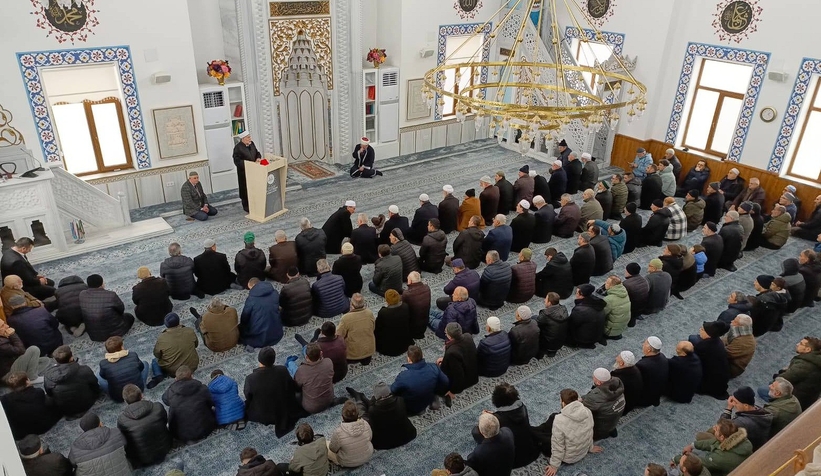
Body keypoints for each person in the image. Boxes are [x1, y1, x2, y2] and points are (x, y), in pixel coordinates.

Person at [244, 347, 300, 437]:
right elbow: (291, 386)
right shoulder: (282, 370)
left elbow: (248, 396)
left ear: (259, 360)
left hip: (263, 415)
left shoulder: (251, 379)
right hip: (284, 411)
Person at [542, 389, 596, 476]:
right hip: (583, 452)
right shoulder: (587, 411)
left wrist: (554, 466)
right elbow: (589, 432)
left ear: (563, 403)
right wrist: (590, 447)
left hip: (569, 458)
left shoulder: (559, 420)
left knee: (542, 439)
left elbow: (558, 446)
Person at [117, 384, 172, 468]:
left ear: (125, 401)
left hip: (141, 458)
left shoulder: (122, 420)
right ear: (141, 395)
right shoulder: (158, 407)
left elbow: (124, 439)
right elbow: (165, 421)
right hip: (166, 447)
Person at [677, 419, 752, 476]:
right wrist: (693, 445)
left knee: (685, 465)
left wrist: (677, 459)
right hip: (736, 465)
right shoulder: (741, 439)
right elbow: (715, 442)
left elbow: (697, 464)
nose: (713, 428)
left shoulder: (720, 458)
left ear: (722, 437)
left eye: (716, 429)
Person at [0, 371, 61, 439]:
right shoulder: (38, 392)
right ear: (27, 382)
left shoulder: (5, 399)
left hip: (20, 432)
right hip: (41, 427)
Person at [43, 344, 99, 417]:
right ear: (71, 358)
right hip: (86, 404)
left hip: (65, 409)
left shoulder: (48, 375)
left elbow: (49, 394)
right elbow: (95, 385)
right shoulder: (84, 370)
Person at [390, 345, 449, 414]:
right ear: (422, 355)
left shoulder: (404, 376)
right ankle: (432, 399)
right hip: (428, 397)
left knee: (388, 389)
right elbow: (445, 382)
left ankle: (419, 409)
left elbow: (393, 390)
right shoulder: (433, 367)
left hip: (411, 406)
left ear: (409, 359)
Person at [770, 336, 821, 411]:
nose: (797, 344)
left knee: (764, 390)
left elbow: (783, 378)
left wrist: (777, 375)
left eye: (801, 344)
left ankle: (774, 407)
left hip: (795, 400)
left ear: (808, 349)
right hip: (807, 399)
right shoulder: (815, 360)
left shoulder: (805, 365)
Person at [79, 274, 134, 342]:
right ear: (102, 284)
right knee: (129, 317)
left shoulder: (82, 294)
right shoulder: (111, 295)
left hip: (94, 335)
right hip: (115, 333)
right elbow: (121, 309)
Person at [719, 386, 773, 450]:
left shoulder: (742, 422)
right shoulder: (759, 410)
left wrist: (728, 408)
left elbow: (722, 426)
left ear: (746, 406)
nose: (733, 404)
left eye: (735, 402)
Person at [98, 336, 149, 402]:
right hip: (137, 391)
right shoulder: (133, 355)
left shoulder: (103, 363)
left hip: (118, 397)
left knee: (98, 376)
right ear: (122, 347)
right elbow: (141, 368)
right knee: (145, 363)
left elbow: (103, 376)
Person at [582, 368, 625, 441]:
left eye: (594, 378)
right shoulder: (617, 388)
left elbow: (582, 409)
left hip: (599, 427)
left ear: (598, 383)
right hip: (613, 420)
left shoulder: (595, 397)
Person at [291, 343, 335, 414]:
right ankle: (304, 347)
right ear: (321, 353)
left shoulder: (302, 370)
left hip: (311, 408)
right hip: (329, 400)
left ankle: (289, 362)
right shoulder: (328, 362)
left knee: (293, 389)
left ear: (307, 358)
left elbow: (297, 386)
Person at [327, 400, 373, 468]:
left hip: (347, 462)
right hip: (367, 456)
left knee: (324, 444)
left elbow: (333, 449)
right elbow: (370, 438)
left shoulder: (338, 433)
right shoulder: (366, 424)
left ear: (342, 417)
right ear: (358, 415)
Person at [240, 278, 283, 350]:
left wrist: (243, 325)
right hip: (275, 329)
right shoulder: (274, 292)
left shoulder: (252, 299)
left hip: (258, 332)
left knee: (243, 329)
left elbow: (245, 315)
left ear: (254, 286)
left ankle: (251, 343)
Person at [439, 322, 479, 399]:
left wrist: (453, 391)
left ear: (450, 336)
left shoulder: (452, 352)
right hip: (473, 374)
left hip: (465, 381)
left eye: (446, 333)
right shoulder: (468, 336)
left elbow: (458, 375)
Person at [694, 321, 731, 400]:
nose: (700, 330)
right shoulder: (718, 341)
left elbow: (693, 362)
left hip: (710, 381)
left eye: (702, 329)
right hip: (720, 378)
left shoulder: (703, 346)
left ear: (708, 334)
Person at [337, 293, 376, 364]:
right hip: (368, 351)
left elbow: (338, 335)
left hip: (352, 354)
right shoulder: (369, 313)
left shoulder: (346, 318)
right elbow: (373, 328)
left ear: (351, 305)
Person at [374, 289, 413, 356]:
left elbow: (377, 328)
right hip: (404, 344)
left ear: (387, 300)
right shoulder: (405, 306)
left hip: (389, 347)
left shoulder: (384, 312)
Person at [567, 284, 606, 349]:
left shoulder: (580, 310)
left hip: (585, 339)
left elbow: (572, 324)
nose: (575, 294)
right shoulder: (598, 302)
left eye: (576, 292)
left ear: (581, 295)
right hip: (597, 334)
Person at [636, 336, 669, 407]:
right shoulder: (663, 357)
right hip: (657, 394)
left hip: (645, 398)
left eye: (644, 344)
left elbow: (636, 383)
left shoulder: (642, 365)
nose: (642, 345)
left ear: (648, 350)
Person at [233, 130, 261, 212]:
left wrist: (258, 158)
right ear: (243, 139)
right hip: (244, 172)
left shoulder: (252, 144)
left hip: (254, 170)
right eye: (248, 137)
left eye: (249, 137)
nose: (250, 139)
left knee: (254, 187)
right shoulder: (238, 148)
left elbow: (257, 153)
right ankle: (246, 206)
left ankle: (256, 203)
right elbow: (237, 161)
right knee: (245, 189)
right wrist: (248, 165)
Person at [536, 292, 569, 358]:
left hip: (546, 343)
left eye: (546, 299)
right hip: (560, 342)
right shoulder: (564, 310)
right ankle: (551, 352)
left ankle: (539, 354)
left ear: (549, 303)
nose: (544, 300)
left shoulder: (545, 314)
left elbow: (536, 324)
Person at [599, 275, 631, 341]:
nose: (605, 283)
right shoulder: (624, 292)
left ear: (611, 286)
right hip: (621, 327)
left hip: (610, 331)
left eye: (607, 282)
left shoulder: (609, 299)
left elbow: (601, 314)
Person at [404, 271, 432, 339]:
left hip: (412, 328)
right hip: (424, 324)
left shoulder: (407, 294)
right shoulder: (427, 288)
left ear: (410, 281)